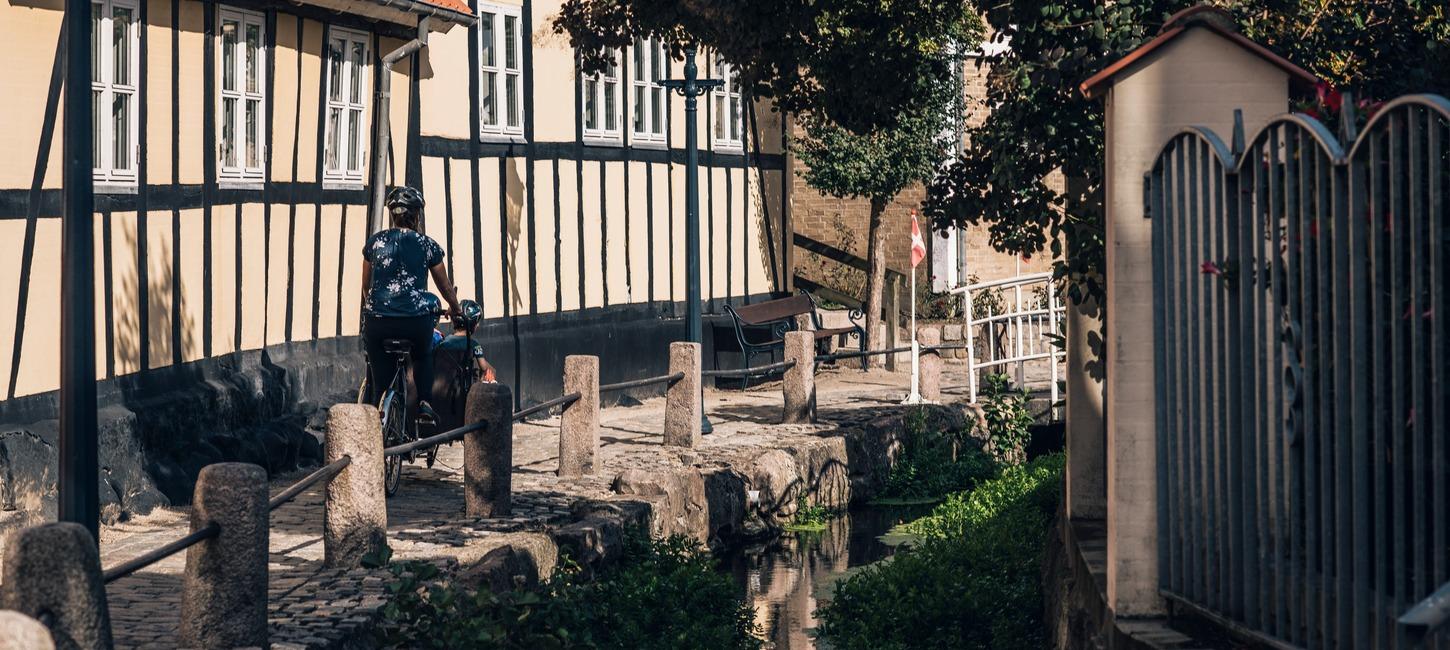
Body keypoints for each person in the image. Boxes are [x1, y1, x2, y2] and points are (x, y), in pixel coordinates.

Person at [361, 186, 460, 425]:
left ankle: (375, 406)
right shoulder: (427, 245)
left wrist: (377, 307)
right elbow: (445, 286)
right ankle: (425, 403)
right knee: (423, 354)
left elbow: (366, 287)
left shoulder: (374, 244)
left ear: (392, 215)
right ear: (416, 216)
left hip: (378, 322)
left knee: (377, 362)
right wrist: (455, 309)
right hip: (413, 323)